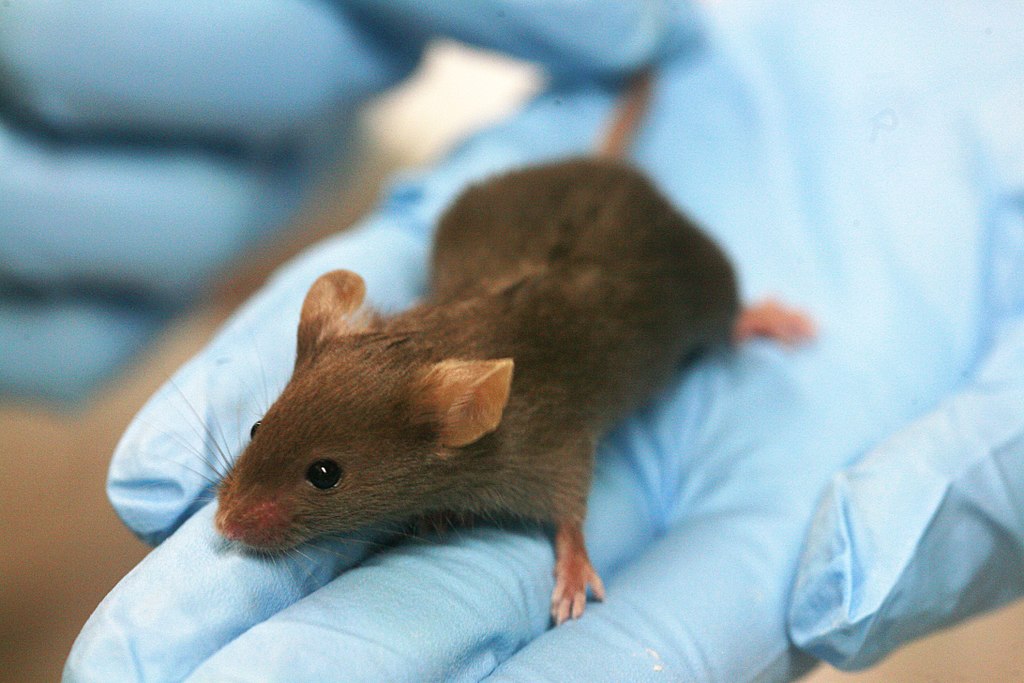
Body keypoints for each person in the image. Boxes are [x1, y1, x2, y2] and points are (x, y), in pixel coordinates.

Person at [18, 2, 1017, 680]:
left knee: (678, 294)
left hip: (631, 268)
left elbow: (558, 451)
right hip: (517, 250)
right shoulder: (401, 384)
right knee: (471, 223)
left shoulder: (500, 416)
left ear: (459, 415)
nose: (241, 511)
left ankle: (736, 313)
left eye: (317, 474)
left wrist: (567, 541)